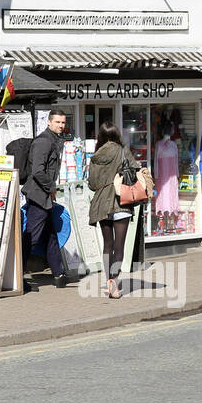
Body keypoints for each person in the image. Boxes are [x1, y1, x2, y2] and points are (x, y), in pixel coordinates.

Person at [87, 122, 142, 299]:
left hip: (102, 203)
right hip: (121, 201)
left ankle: (108, 281)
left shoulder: (95, 156)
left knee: (107, 245)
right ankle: (115, 282)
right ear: (117, 135)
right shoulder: (123, 150)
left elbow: (92, 184)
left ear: (101, 136)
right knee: (119, 246)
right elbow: (134, 170)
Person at [21, 110, 71, 288]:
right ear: (49, 122)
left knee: (51, 236)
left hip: (45, 196)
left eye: (63, 123)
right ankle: (17, 277)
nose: (61, 126)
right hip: (38, 196)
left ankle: (59, 274)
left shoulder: (54, 140)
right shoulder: (43, 141)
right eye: (57, 122)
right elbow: (37, 172)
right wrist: (51, 188)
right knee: (31, 238)